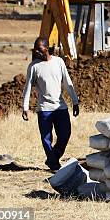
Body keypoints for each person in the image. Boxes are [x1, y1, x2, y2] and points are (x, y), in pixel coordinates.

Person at [22, 37, 80, 171]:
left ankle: (52, 158)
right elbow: (28, 87)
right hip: (44, 109)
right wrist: (25, 107)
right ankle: (54, 165)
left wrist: (75, 102)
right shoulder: (34, 66)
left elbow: (68, 82)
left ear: (46, 48)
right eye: (35, 49)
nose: (36, 51)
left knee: (65, 135)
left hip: (60, 107)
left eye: (39, 48)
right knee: (46, 138)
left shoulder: (58, 62)